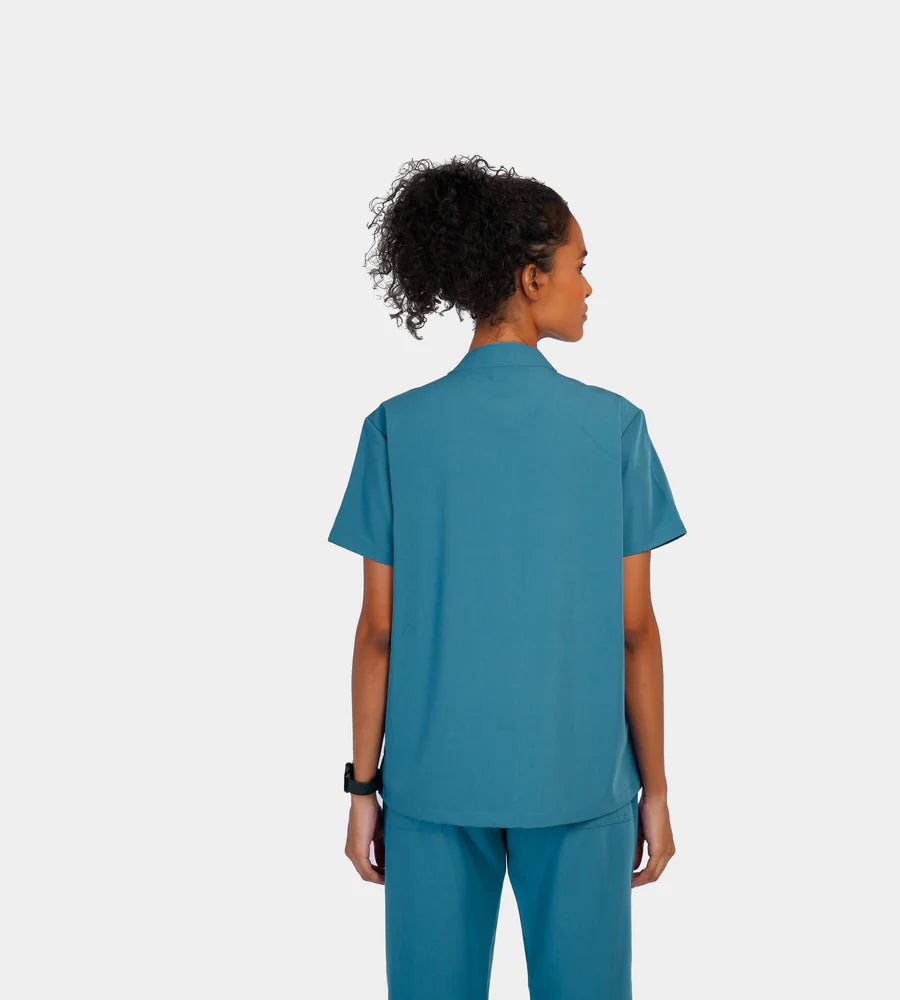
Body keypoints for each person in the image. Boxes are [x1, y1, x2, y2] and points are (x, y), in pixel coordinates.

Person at [328, 154, 688, 1000]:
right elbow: (634, 629)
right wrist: (657, 790)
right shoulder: (615, 429)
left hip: (431, 784)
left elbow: (379, 632)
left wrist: (362, 788)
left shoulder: (395, 429)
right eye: (579, 266)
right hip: (579, 781)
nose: (588, 288)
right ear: (531, 279)